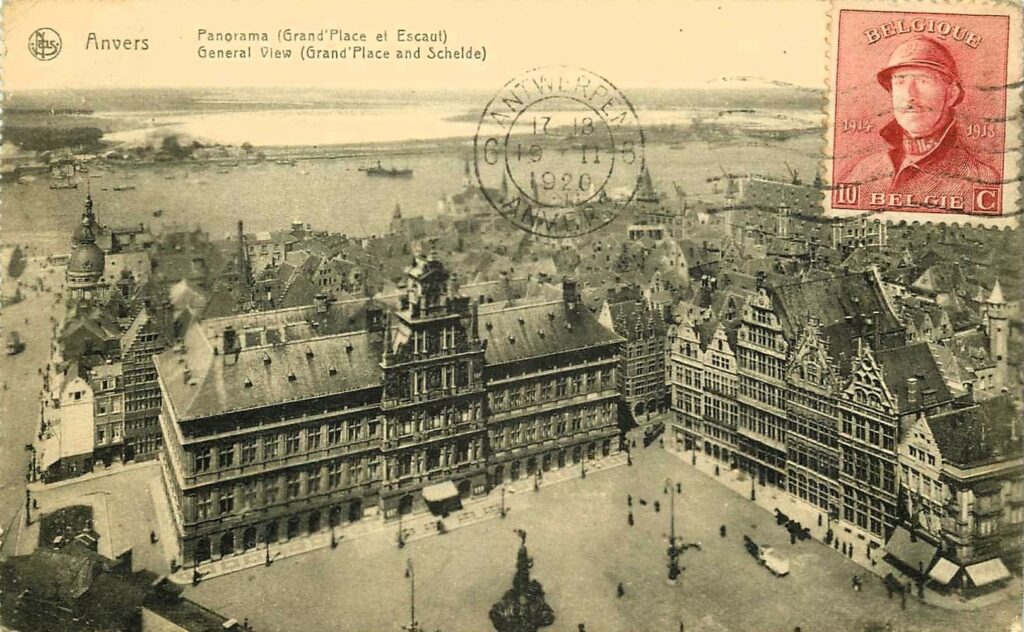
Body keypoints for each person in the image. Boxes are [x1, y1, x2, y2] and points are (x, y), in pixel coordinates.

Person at [839, 36, 999, 212]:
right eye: (900, 82)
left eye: (923, 81)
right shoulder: (865, 171)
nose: (909, 95)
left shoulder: (981, 179)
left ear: (951, 94)